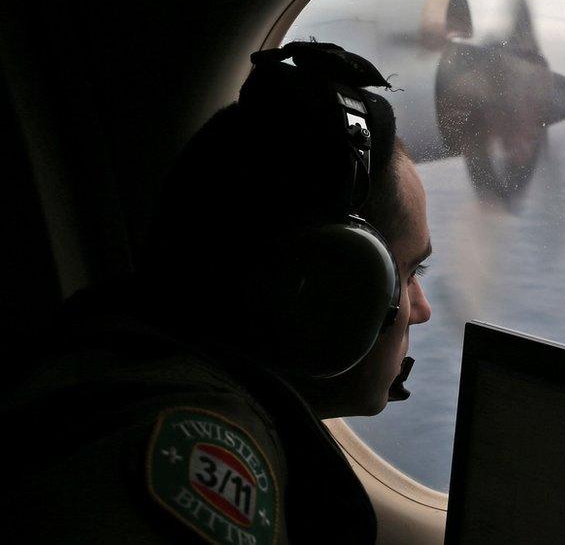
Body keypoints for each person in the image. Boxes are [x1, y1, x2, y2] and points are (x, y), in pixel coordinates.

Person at [3, 42, 432, 544]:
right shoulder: (197, 444)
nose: (420, 309)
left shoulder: (116, 358)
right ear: (328, 288)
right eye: (406, 274)